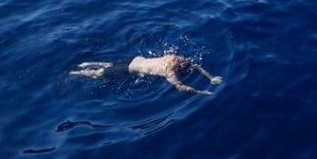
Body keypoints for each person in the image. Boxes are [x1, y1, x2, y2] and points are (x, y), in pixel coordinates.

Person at [70, 53, 222, 95]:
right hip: (128, 70)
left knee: (110, 64)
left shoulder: (173, 56)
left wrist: (210, 77)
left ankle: (87, 63)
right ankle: (76, 73)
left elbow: (194, 66)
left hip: (134, 58)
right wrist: (202, 91)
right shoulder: (169, 72)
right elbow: (181, 87)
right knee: (97, 75)